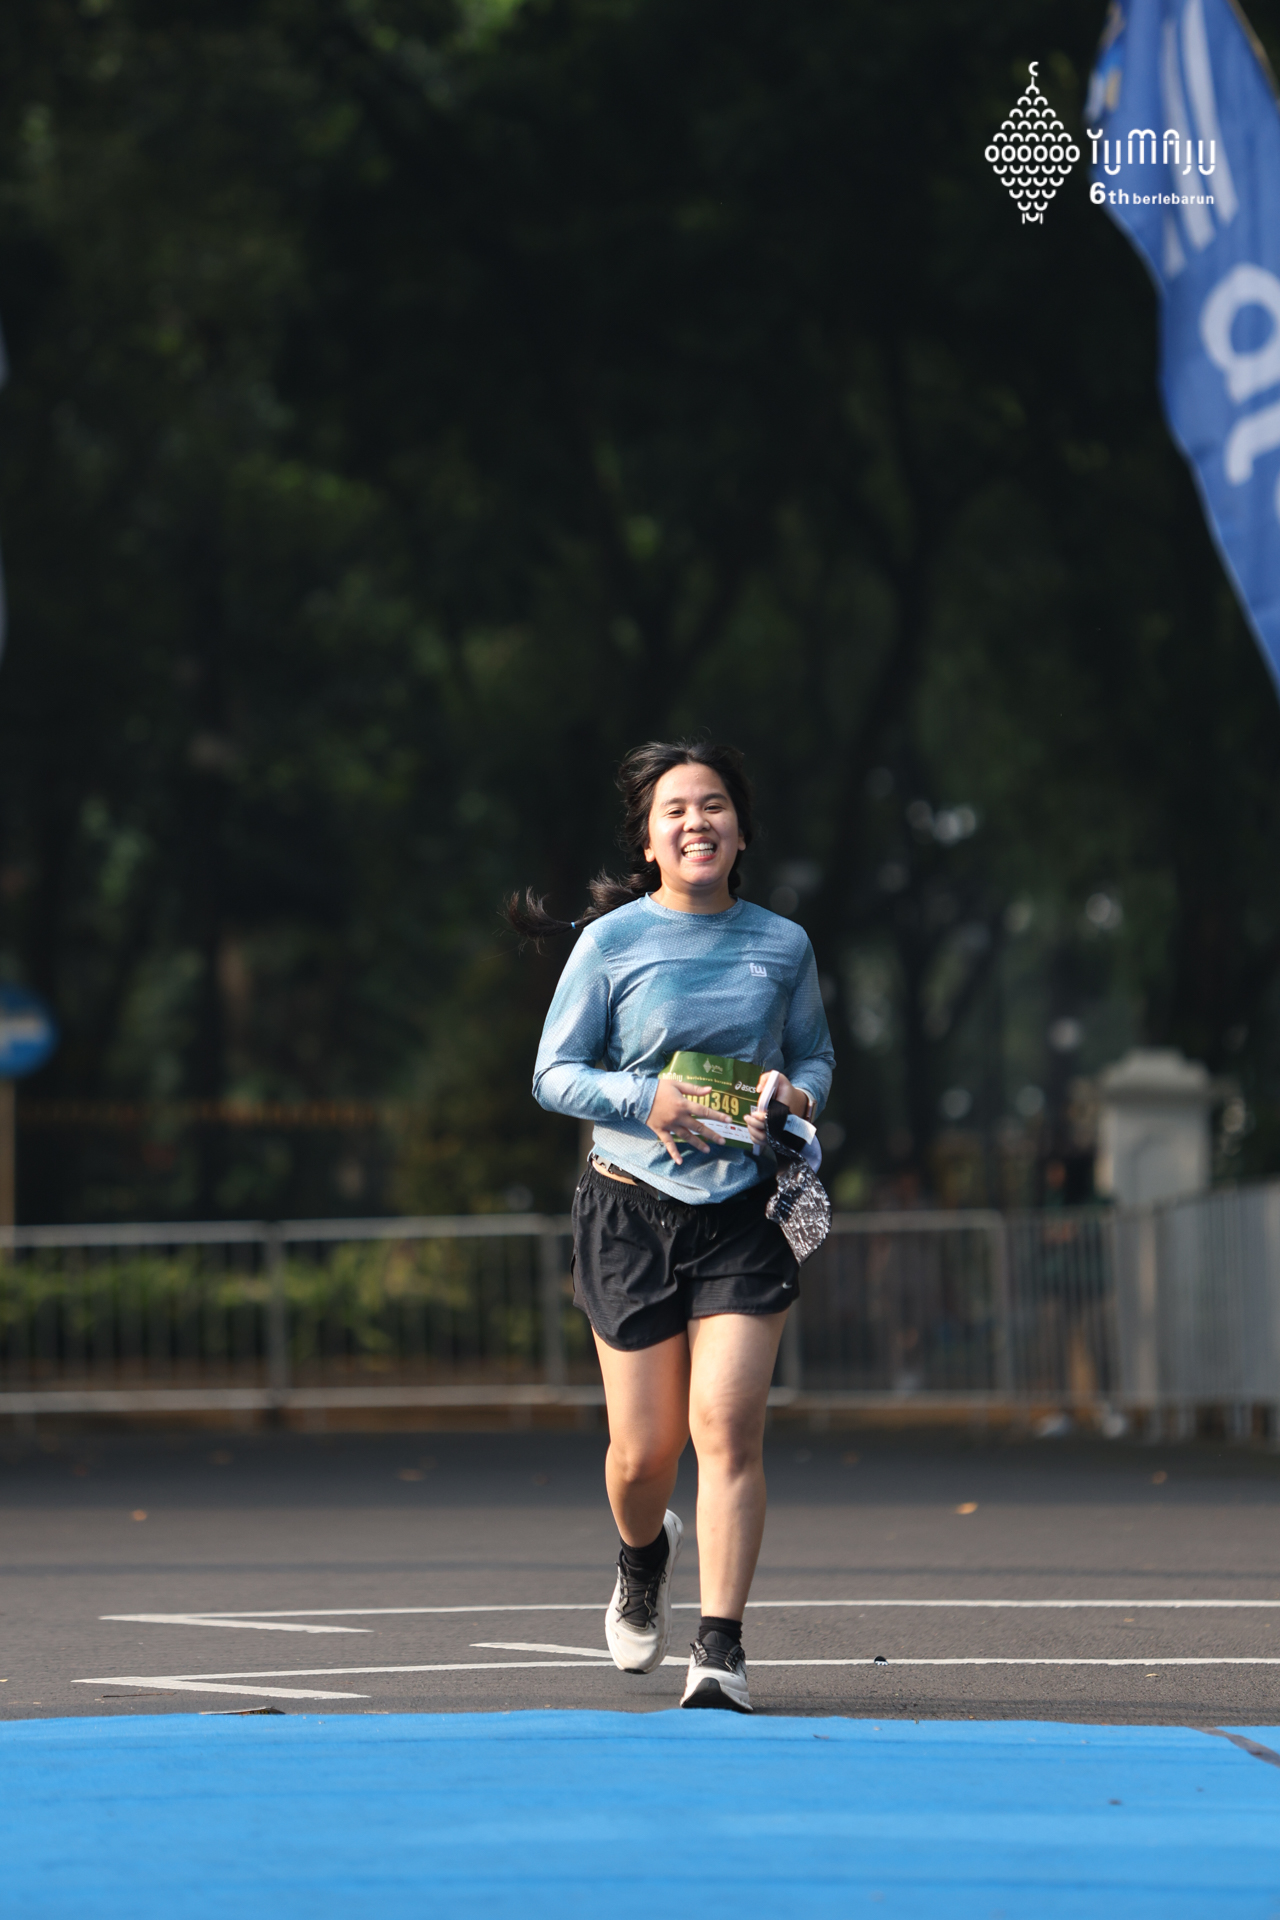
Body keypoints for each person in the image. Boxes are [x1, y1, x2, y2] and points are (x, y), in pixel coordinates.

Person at [507, 739, 835, 1712]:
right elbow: (552, 1074)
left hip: (746, 1209)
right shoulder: (611, 944)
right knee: (641, 1456)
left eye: (715, 805)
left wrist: (796, 1097)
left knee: (725, 1427)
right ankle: (643, 1555)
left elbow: (814, 1059)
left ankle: (720, 1649)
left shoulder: (783, 944)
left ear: (741, 832)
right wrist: (642, 1097)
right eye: (676, 810)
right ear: (648, 842)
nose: (698, 821)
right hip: (628, 1210)